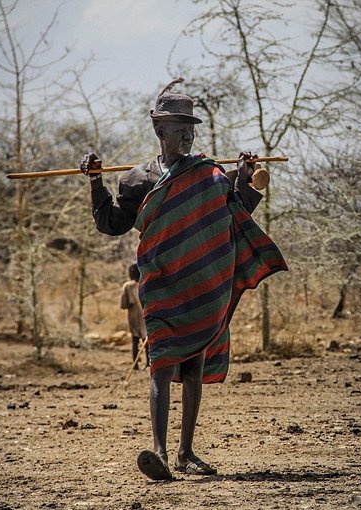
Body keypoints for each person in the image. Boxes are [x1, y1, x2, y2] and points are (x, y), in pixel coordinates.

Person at [80, 79, 287, 481]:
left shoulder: (210, 174)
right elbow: (110, 223)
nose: (188, 134)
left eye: (191, 127)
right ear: (159, 129)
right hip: (160, 285)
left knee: (193, 367)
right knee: (160, 363)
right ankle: (158, 452)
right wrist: (94, 181)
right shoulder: (137, 179)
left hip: (202, 287)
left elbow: (237, 211)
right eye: (180, 127)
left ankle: (185, 453)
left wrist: (244, 176)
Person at [120, 263, 148, 370]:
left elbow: (123, 304)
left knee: (135, 340)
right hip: (145, 313)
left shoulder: (128, 286)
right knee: (146, 339)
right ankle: (148, 362)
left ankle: (135, 364)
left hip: (133, 315)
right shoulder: (145, 283)